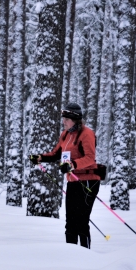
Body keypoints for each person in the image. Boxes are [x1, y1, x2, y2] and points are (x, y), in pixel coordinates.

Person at [29, 103, 101, 248]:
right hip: (73, 181)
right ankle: (71, 254)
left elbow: (89, 158)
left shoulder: (87, 134)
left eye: (67, 119)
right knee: (70, 222)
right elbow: (56, 154)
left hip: (88, 181)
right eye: (64, 119)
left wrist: (73, 164)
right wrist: (40, 157)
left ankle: (86, 255)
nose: (64, 122)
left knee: (81, 221)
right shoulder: (66, 134)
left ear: (75, 119)